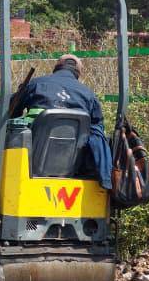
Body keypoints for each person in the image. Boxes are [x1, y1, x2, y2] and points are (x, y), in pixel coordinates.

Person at [12, 53, 112, 188]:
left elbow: (10, 111)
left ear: (56, 67)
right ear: (78, 73)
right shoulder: (89, 95)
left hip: (30, 162)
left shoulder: (36, 84)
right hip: (73, 166)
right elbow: (97, 129)